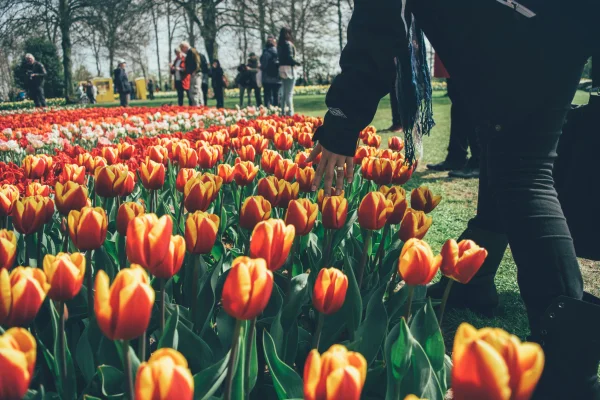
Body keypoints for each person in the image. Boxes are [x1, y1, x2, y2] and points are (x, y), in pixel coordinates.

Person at [306, 0, 600, 398]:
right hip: (570, 18)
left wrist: (342, 120)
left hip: (517, 18)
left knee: (522, 169)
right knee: (511, 153)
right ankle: (476, 278)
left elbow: (380, 21)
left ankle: (570, 370)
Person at [426, 53, 480, 178]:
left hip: (467, 49)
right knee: (457, 99)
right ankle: (456, 157)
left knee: (467, 99)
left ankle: (479, 160)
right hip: (453, 49)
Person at [277, 27, 301, 116]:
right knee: (289, 93)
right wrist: (298, 63)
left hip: (281, 69)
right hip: (289, 70)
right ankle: (290, 112)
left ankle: (282, 112)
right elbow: (289, 58)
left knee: (283, 93)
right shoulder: (288, 44)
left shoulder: (279, 45)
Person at [180, 41, 203, 106]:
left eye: (182, 49)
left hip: (195, 74)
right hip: (195, 73)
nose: (182, 51)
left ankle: (196, 105)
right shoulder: (192, 51)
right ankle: (200, 105)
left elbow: (197, 61)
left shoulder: (191, 51)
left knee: (194, 91)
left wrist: (194, 71)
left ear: (185, 47)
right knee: (198, 90)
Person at [260, 35, 282, 108]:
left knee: (267, 96)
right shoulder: (278, 51)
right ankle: (277, 112)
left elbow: (263, 65)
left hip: (267, 78)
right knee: (276, 95)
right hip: (277, 78)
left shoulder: (265, 52)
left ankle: (268, 111)